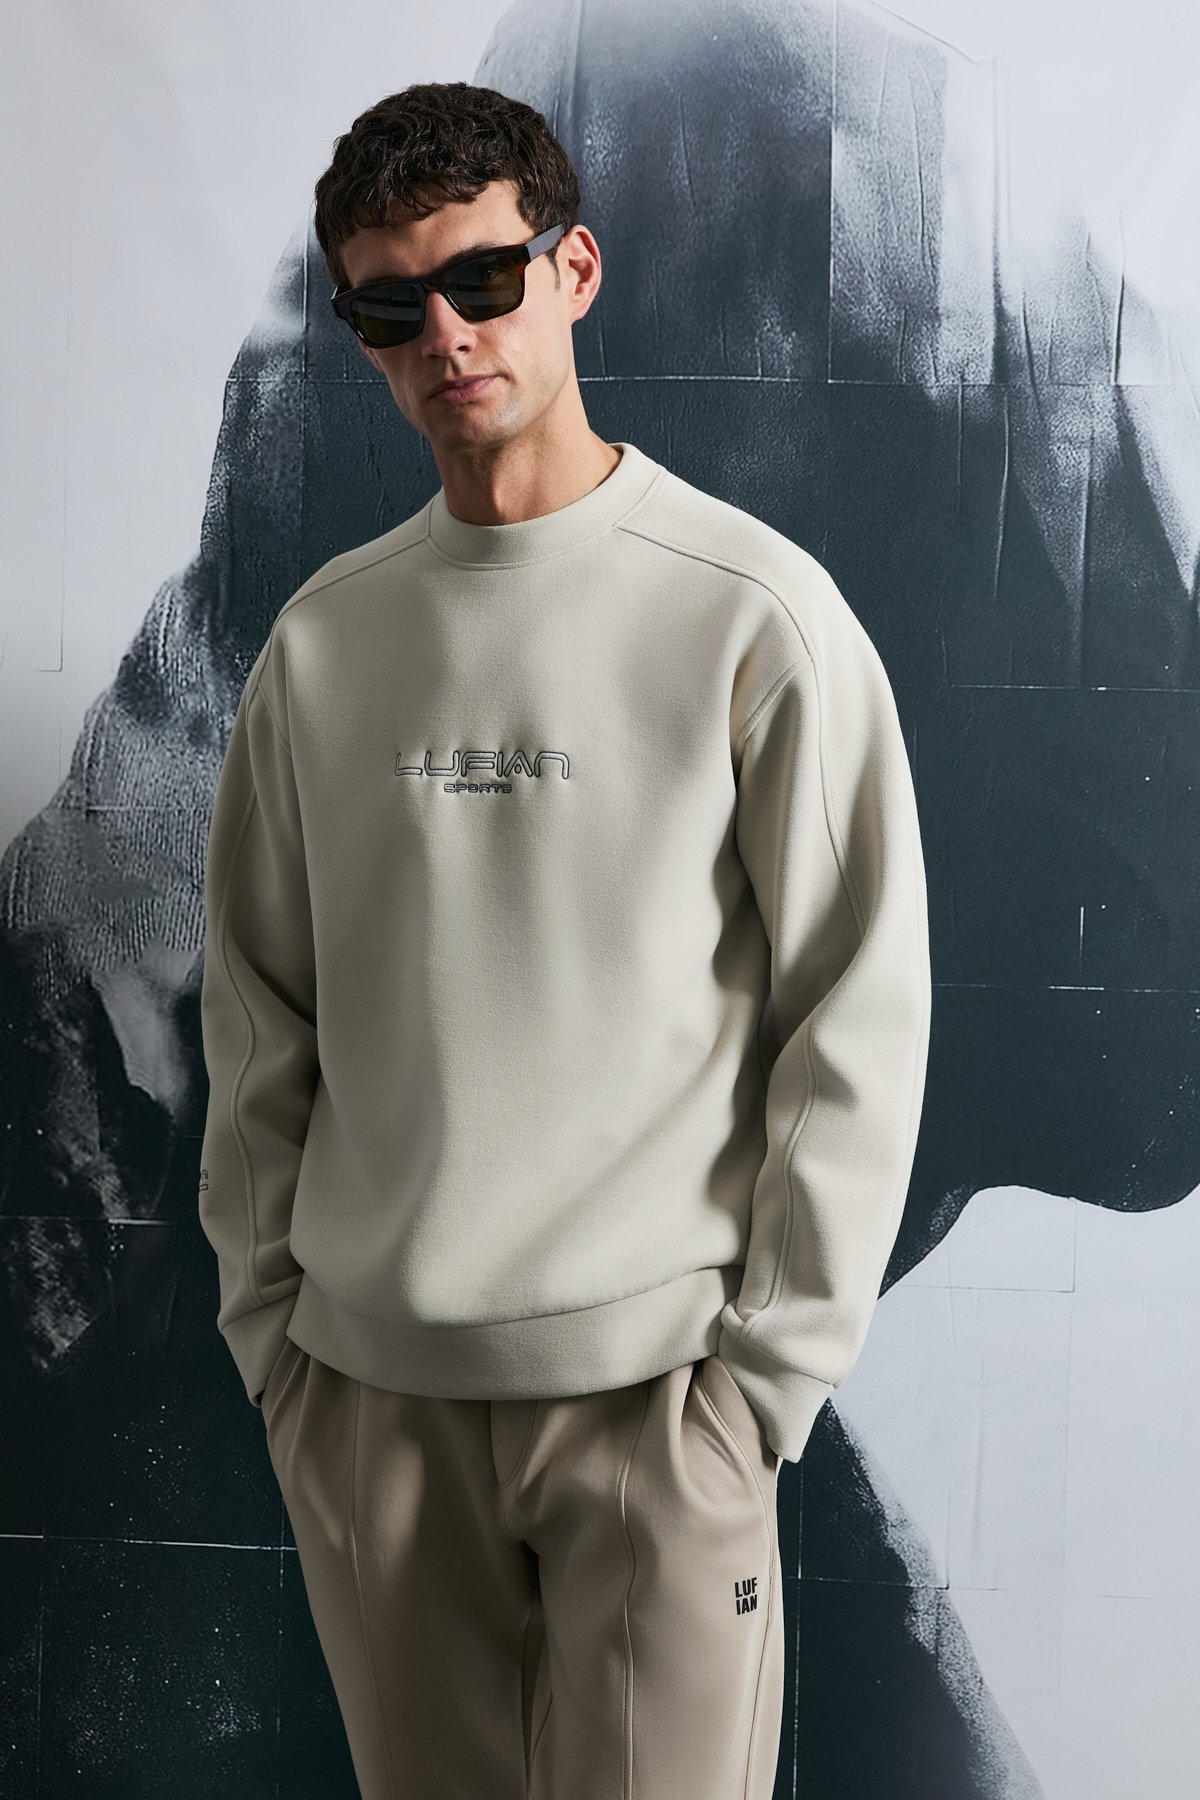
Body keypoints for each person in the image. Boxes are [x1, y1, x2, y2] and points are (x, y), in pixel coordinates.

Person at [196, 79, 931, 1800]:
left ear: (574, 269)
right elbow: (258, 1018)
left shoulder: (751, 613)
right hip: (370, 1405)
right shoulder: (322, 646)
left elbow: (857, 1010)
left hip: (663, 1409)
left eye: (483, 279)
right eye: (392, 307)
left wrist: (757, 1392)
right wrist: (280, 1350)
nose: (446, 336)